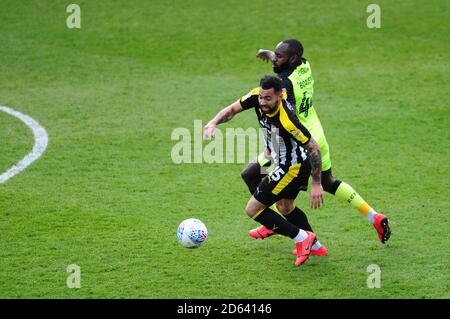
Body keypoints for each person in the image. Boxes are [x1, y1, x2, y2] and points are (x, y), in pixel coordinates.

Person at [243, 39, 391, 244]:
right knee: (328, 181)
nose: (275, 59)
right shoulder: (304, 65)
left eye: (279, 56)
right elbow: (286, 69)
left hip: (297, 142)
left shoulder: (285, 86)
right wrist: (270, 55)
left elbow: (285, 110)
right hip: (317, 133)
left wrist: (272, 141)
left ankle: (281, 227)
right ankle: (374, 216)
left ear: (291, 58)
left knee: (254, 175)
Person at [203, 75, 324, 266]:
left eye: (268, 98)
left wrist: (317, 183)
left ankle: (302, 238)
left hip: (293, 167)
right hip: (277, 157)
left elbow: (314, 147)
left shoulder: (287, 120)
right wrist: (213, 122)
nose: (262, 102)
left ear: (280, 96)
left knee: (252, 209)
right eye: (261, 97)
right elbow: (233, 109)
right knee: (275, 198)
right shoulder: (257, 96)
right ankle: (316, 246)